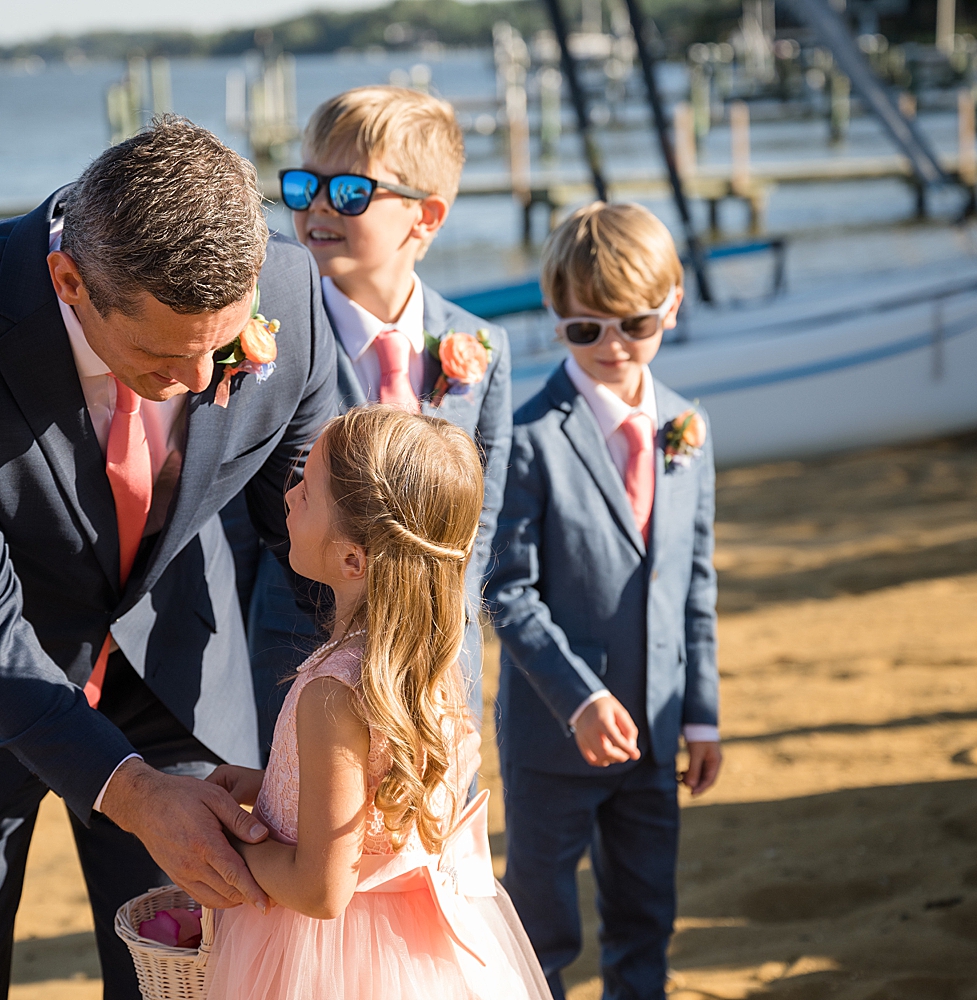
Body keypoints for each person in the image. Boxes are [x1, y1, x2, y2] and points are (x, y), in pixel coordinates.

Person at [0, 116, 339, 1000]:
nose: (198, 382)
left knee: (182, 985)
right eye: (159, 357)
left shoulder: (290, 293)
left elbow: (317, 544)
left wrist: (381, 693)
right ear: (68, 280)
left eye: (219, 349)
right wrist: (131, 794)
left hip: (173, 680)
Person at [203, 406, 551, 1000]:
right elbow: (378, 816)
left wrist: (232, 843)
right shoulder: (420, 675)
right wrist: (272, 789)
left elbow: (321, 889)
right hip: (411, 951)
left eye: (307, 492)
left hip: (324, 961)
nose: (287, 496)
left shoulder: (333, 693)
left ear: (352, 560)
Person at [486, 203, 724, 1000]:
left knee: (646, 914)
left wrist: (701, 715)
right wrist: (577, 699)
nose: (614, 346)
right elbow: (507, 589)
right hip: (555, 740)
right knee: (540, 928)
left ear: (673, 306)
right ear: (554, 320)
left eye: (635, 324)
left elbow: (695, 583)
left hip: (657, 731)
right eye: (585, 330)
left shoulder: (688, 426)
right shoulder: (527, 436)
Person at [243, 86, 512, 759]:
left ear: (426, 216)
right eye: (305, 186)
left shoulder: (480, 347)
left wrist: (446, 646)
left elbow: (478, 526)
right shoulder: (267, 346)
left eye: (351, 191)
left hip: (437, 662)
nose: (320, 208)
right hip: (299, 652)